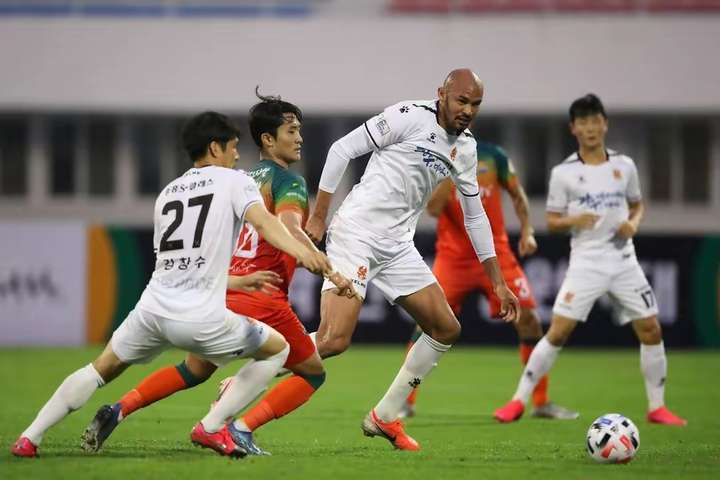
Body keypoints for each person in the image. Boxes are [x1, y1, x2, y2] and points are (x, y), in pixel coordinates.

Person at [11, 111, 337, 459]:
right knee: (278, 349)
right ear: (215, 147)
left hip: (151, 310)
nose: (236, 155)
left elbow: (177, 264)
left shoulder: (168, 192)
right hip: (200, 317)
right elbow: (268, 225)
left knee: (99, 369)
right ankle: (213, 426)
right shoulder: (234, 182)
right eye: (232, 147)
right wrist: (307, 254)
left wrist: (239, 279)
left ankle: (29, 437)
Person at [304, 69, 521, 451]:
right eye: (462, 100)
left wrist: (498, 282)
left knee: (445, 328)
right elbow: (341, 149)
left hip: (398, 247)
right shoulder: (407, 115)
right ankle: (256, 368)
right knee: (333, 340)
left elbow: (475, 217)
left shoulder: (466, 149)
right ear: (442, 94)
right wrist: (319, 215)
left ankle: (385, 416)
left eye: (475, 104)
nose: (468, 110)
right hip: (357, 233)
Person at [493, 94, 687, 426]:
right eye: (583, 122)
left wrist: (633, 223)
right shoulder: (564, 173)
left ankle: (657, 407)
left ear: (605, 124)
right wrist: (574, 220)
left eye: (595, 120)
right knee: (558, 332)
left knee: (651, 328)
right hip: (586, 263)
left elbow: (637, 205)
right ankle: (518, 401)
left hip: (624, 261)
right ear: (573, 128)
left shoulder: (624, 166)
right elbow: (552, 221)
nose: (590, 128)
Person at [400, 141, 578, 421]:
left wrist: (527, 230)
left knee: (529, 320)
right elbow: (433, 208)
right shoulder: (436, 157)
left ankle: (541, 402)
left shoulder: (494, 157)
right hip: (453, 258)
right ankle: (404, 401)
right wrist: (451, 169)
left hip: (495, 254)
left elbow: (517, 193)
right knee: (427, 324)